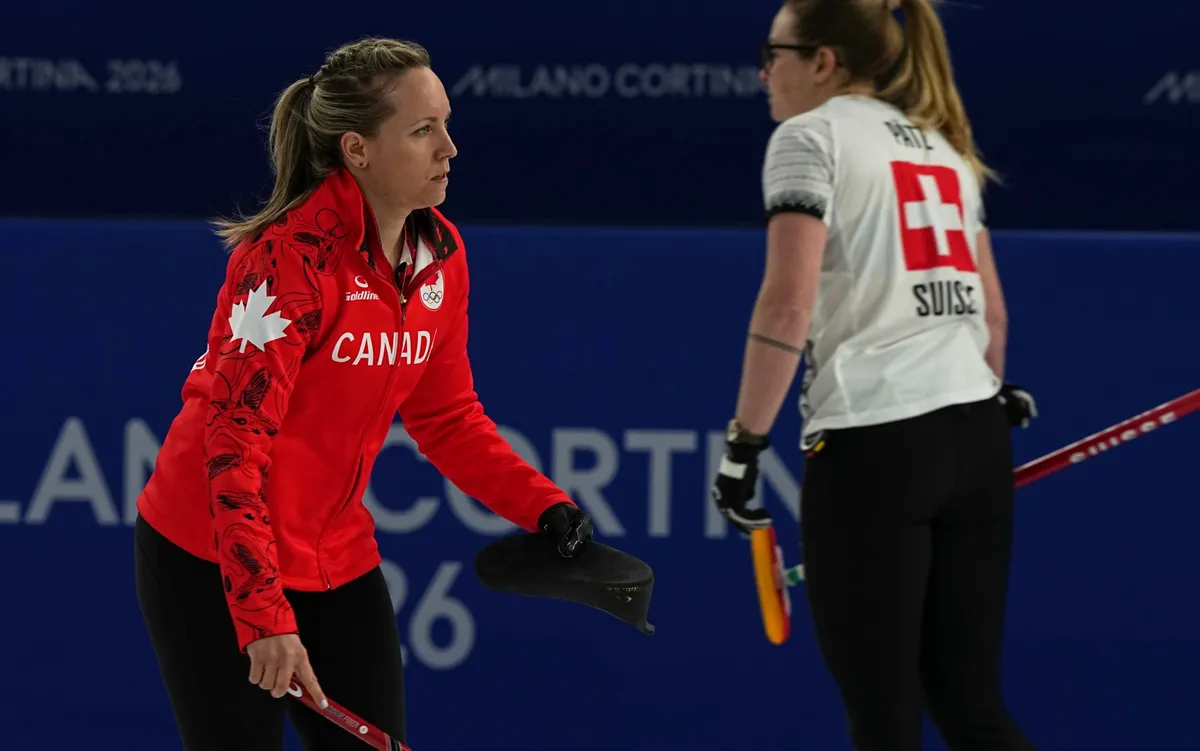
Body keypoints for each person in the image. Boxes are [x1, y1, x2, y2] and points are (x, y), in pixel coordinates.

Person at [133, 37, 593, 751]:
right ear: (357, 150)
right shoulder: (287, 263)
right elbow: (233, 447)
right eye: (422, 130)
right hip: (213, 556)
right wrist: (263, 616)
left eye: (445, 123)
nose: (450, 147)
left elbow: (447, 418)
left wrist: (543, 503)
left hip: (335, 556)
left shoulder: (439, 256)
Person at [710, 1, 1040, 749]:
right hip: (976, 441)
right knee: (970, 706)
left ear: (823, 61)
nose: (765, 71)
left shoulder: (807, 136)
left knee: (885, 717)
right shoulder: (944, 146)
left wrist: (744, 445)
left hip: (874, 447)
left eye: (776, 51)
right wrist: (992, 388)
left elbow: (787, 304)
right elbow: (992, 315)